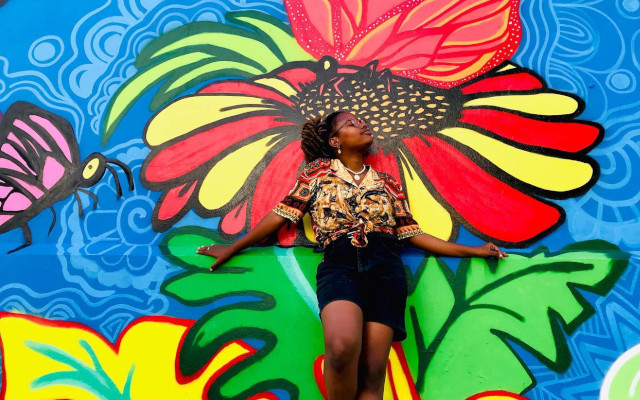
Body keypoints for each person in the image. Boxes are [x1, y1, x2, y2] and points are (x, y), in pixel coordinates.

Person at [196, 111, 508, 400]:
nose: (362, 124)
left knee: (373, 373)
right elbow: (280, 215)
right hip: (340, 264)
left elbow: (412, 233)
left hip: (386, 269)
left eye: (361, 121)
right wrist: (234, 246)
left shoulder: (388, 184)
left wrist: (474, 250)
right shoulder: (316, 175)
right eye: (351, 123)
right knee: (341, 347)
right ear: (335, 141)